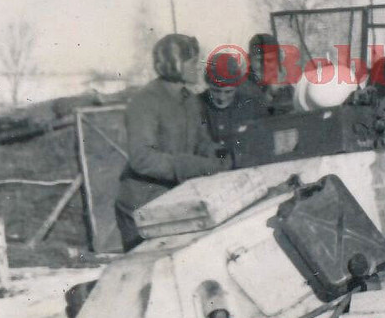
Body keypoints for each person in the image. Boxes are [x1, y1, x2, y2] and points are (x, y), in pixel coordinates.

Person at [114, 34, 229, 251]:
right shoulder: (145, 101)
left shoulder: (191, 101)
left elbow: (202, 143)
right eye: (193, 62)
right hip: (141, 206)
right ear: (174, 64)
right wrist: (195, 166)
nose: (198, 67)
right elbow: (142, 159)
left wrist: (224, 156)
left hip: (173, 200)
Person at [200, 54, 269, 160]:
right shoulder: (196, 105)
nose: (221, 98)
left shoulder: (251, 106)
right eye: (216, 91)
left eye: (228, 92)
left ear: (237, 87)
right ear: (208, 85)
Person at [242, 33, 295, 115]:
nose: (265, 66)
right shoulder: (240, 89)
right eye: (259, 60)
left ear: (279, 59)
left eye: (270, 60)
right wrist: (269, 96)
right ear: (249, 60)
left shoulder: (287, 89)